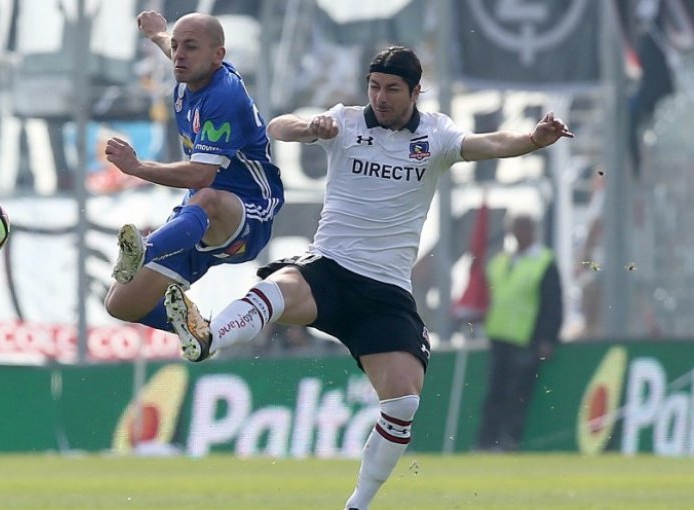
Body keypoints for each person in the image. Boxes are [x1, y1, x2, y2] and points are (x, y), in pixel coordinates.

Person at [163, 45, 573, 509]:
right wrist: (310, 126)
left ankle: (358, 504)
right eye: (374, 87)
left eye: (392, 89)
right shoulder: (347, 121)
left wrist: (534, 139)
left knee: (403, 405)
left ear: (417, 91)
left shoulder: (436, 135)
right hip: (332, 268)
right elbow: (277, 126)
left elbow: (492, 143)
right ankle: (209, 337)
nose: (380, 97)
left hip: (386, 292)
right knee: (280, 289)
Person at [103, 11, 283, 332]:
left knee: (207, 197)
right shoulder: (190, 74)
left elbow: (201, 175)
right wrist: (157, 34)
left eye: (190, 46)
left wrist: (137, 167)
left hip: (248, 215)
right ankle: (199, 331)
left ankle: (148, 249)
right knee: (120, 303)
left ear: (219, 56)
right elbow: (176, 50)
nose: (179, 55)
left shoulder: (224, 96)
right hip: (198, 215)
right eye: (176, 45)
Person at [476, 213, 563, 452]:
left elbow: (552, 304)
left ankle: (508, 440)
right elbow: (487, 295)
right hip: (498, 336)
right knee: (494, 392)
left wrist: (547, 339)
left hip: (526, 338)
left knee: (517, 394)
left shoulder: (543, 261)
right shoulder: (501, 261)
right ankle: (485, 441)